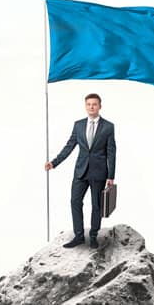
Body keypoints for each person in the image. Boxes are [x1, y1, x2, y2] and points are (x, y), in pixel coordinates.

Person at [44, 93, 116, 249]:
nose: (91, 107)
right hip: (80, 171)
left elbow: (111, 151)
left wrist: (111, 175)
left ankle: (93, 236)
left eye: (94, 104)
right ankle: (78, 236)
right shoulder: (78, 125)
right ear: (85, 106)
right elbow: (69, 146)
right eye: (89, 104)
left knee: (96, 205)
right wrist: (54, 163)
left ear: (100, 106)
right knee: (75, 201)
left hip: (99, 172)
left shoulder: (108, 127)